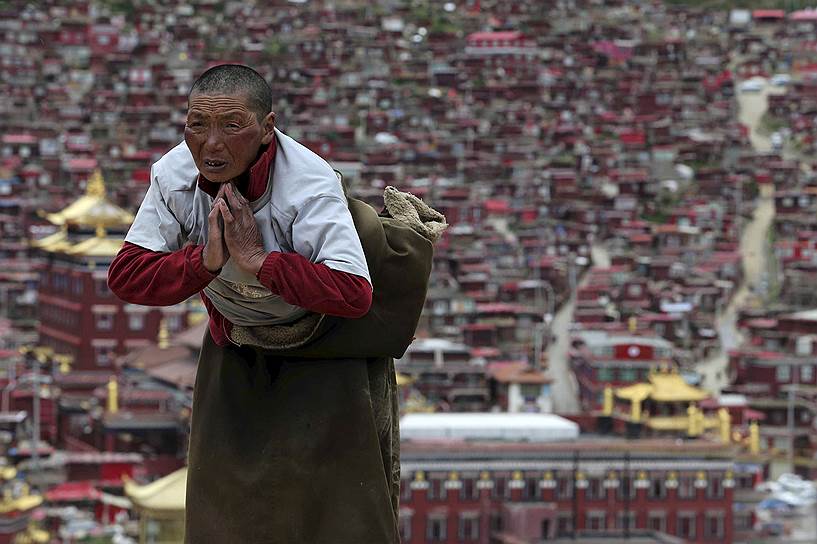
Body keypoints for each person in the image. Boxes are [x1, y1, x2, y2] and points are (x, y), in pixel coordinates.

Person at [108, 64, 403, 543]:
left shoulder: (307, 184)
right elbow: (126, 276)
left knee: (335, 502)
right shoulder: (174, 175)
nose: (211, 144)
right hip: (236, 330)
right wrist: (203, 262)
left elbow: (353, 292)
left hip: (324, 336)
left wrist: (260, 260)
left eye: (232, 125)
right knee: (221, 488)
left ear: (268, 130)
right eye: (196, 125)